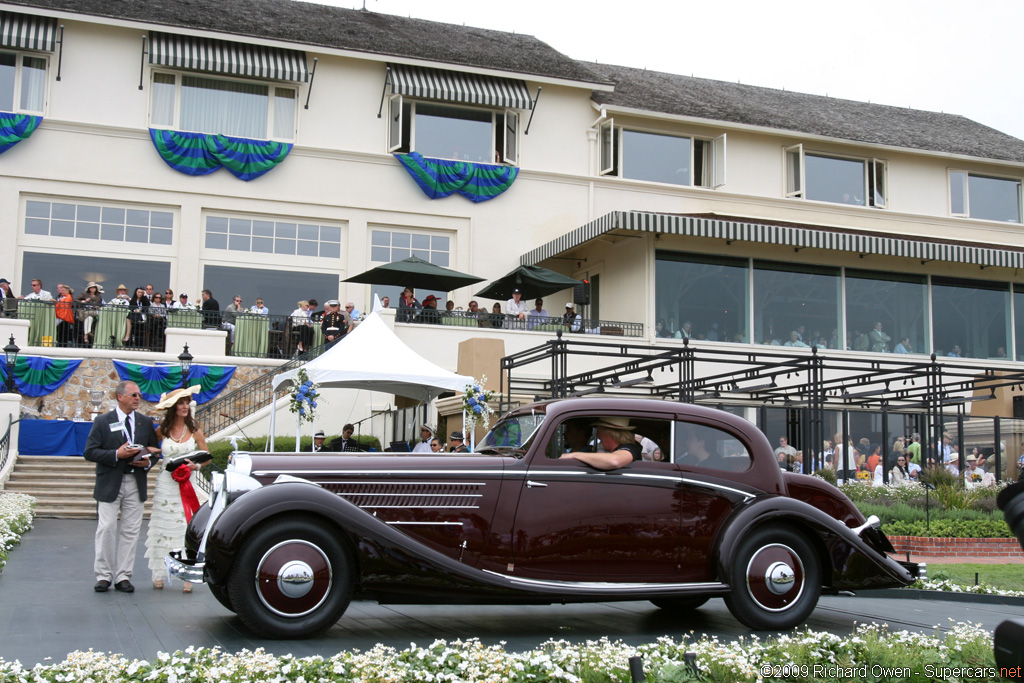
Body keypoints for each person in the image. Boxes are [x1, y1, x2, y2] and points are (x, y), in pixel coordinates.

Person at [83, 380, 160, 593]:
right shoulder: (103, 421)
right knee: (106, 528)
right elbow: (89, 452)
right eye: (134, 394)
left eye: (139, 394)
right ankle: (103, 576)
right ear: (120, 397)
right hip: (110, 481)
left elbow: (154, 451)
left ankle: (124, 576)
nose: (138, 398)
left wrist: (148, 462)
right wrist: (117, 454)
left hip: (135, 481)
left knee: (131, 531)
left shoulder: (145, 422)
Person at [146, 385, 208, 592]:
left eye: (186, 402)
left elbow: (206, 455)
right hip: (166, 482)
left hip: (186, 483)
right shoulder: (162, 431)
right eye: (180, 403)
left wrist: (195, 466)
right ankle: (158, 572)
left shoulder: (195, 430)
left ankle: (186, 573)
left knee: (184, 525)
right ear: (173, 407)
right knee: (163, 525)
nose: (184, 406)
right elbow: (149, 449)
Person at [560, 417, 641, 470]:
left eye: (599, 431)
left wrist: (574, 455)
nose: (597, 435)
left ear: (609, 433)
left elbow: (615, 461)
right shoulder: (619, 449)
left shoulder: (631, 447)